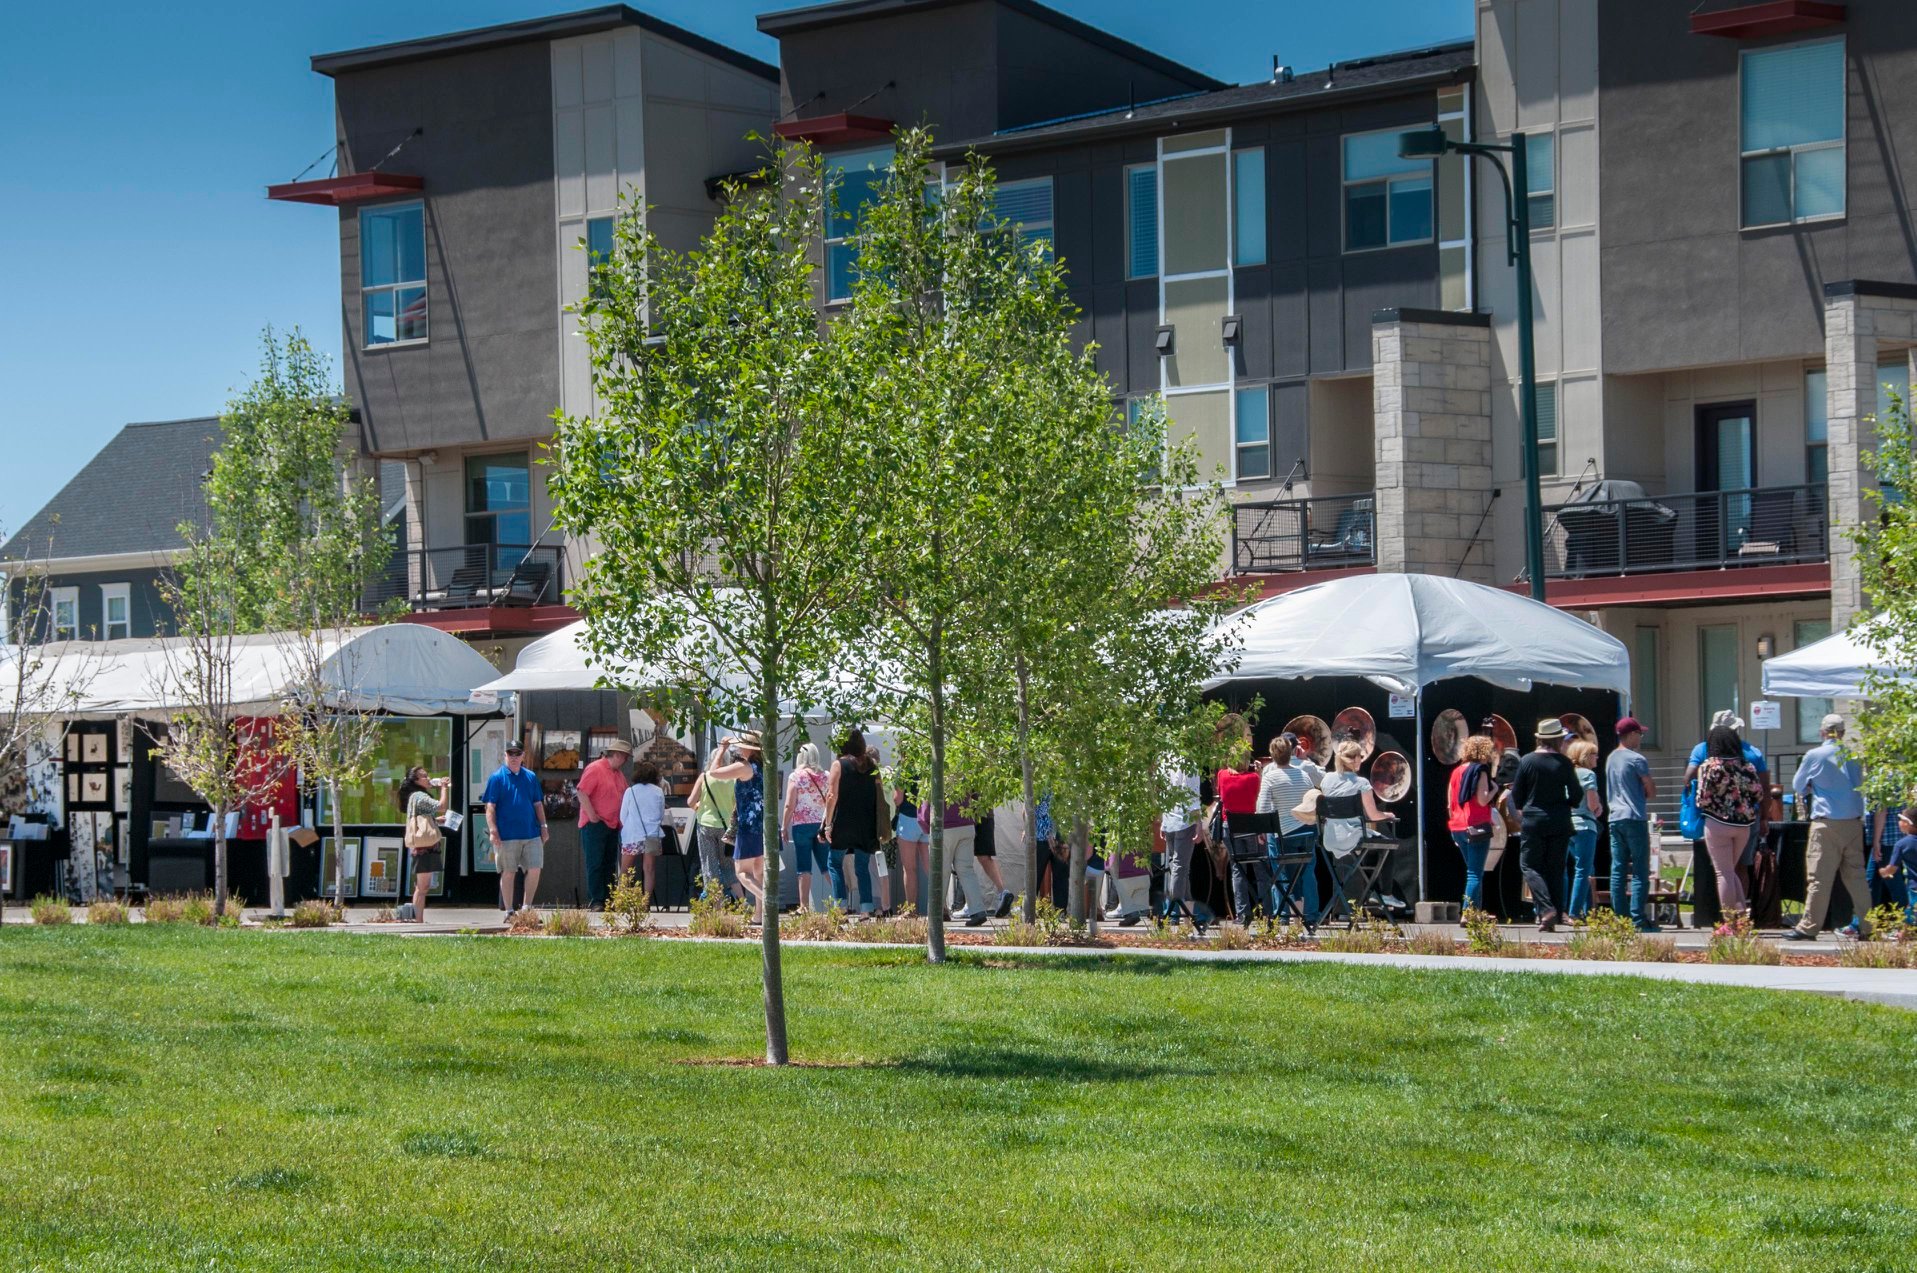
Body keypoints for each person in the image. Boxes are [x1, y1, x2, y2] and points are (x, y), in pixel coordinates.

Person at [1787, 713, 1870, 941]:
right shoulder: (1854, 755)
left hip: (1826, 823)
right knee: (1857, 878)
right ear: (1842, 733)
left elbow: (1798, 785)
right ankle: (1869, 926)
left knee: (1819, 879)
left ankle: (1809, 927)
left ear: (1822, 732)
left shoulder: (1815, 755)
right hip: (1853, 823)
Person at [1685, 709, 1770, 908]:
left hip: (1717, 823)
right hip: (1744, 825)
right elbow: (1759, 792)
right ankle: (1741, 917)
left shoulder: (1708, 765)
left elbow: (1702, 799)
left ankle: (1730, 923)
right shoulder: (1748, 763)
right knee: (1734, 871)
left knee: (1723, 873)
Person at [1511, 719, 1583, 932]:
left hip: (1534, 819)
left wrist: (1525, 812)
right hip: (1560, 820)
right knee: (1555, 868)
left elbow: (1517, 795)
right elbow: (1577, 795)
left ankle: (1546, 909)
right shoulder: (1564, 763)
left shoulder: (1527, 761)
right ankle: (1556, 913)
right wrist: (1565, 804)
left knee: (1530, 866)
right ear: (1558, 739)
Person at [1320, 740, 1390, 918]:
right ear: (1356, 759)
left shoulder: (1326, 780)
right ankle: (1384, 894)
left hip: (1330, 837)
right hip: (1353, 836)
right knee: (1389, 846)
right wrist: (1387, 815)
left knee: (1349, 863)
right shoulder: (1362, 783)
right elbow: (1373, 815)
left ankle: (1343, 909)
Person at [1257, 734, 1322, 922]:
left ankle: (1283, 914)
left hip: (1282, 834)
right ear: (1293, 751)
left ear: (1272, 754)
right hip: (1307, 830)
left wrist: (1262, 831)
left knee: (1280, 872)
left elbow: (1262, 808)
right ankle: (1311, 914)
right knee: (1309, 871)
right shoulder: (1303, 774)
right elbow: (1311, 801)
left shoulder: (1269, 777)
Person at [482, 739, 549, 920]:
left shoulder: (530, 777)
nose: (513, 757)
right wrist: (493, 829)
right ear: (505, 756)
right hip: (507, 835)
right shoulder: (497, 778)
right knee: (508, 871)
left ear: (523, 756)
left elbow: (537, 804)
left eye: (517, 753)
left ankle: (527, 908)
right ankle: (510, 910)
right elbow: (490, 807)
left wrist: (543, 826)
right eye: (510, 753)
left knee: (535, 868)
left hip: (531, 832)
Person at [1605, 717, 1660, 932]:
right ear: (1631, 734)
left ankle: (1620, 918)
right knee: (1639, 869)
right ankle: (1638, 919)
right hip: (1634, 817)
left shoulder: (1610, 758)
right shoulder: (1637, 759)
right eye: (1639, 734)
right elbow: (1651, 791)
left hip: (1614, 817)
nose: (1641, 738)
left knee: (1617, 868)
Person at [706, 732, 767, 923]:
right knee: (758, 872)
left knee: (742, 872)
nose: (738, 748)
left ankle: (769, 903)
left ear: (749, 748)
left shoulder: (744, 767)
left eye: (741, 745)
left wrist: (721, 749)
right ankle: (759, 916)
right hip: (763, 823)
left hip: (748, 826)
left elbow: (713, 772)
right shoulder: (762, 767)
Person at [821, 729, 880, 913]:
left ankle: (841, 908)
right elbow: (878, 794)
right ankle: (866, 909)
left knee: (834, 863)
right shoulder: (872, 765)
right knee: (862, 867)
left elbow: (831, 796)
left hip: (844, 822)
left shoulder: (839, 764)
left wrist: (827, 825)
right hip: (867, 823)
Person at [574, 737, 631, 910]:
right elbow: (581, 792)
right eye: (625, 756)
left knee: (609, 863)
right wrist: (592, 815)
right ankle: (596, 900)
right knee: (595, 862)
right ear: (618, 755)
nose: (626, 760)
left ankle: (607, 899)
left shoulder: (618, 774)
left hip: (613, 825)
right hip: (595, 824)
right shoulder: (595, 768)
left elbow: (626, 795)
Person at [1215, 748, 1268, 923]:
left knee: (1238, 870)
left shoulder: (1222, 775)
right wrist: (1259, 771)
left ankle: (1242, 913)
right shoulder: (1254, 778)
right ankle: (1265, 909)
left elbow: (1221, 792)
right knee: (1260, 868)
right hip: (1251, 826)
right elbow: (1258, 795)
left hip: (1230, 827)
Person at [1447, 735, 1498, 915]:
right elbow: (1483, 800)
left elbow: (1449, 803)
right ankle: (1468, 913)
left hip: (1457, 826)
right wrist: (1495, 789)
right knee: (1475, 873)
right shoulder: (1480, 770)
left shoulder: (1456, 771)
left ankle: (1476, 913)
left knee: (1473, 871)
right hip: (1476, 826)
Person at [781, 743, 831, 913]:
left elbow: (789, 804)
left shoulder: (796, 776)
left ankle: (804, 906)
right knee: (827, 866)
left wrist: (783, 827)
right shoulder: (827, 775)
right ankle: (842, 902)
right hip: (822, 825)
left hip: (801, 824)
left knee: (804, 866)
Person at [687, 745, 739, 902]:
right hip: (726, 827)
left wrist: (699, 808)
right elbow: (737, 805)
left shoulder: (704, 777)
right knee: (728, 866)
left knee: (709, 866)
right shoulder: (734, 779)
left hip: (706, 825)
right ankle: (742, 902)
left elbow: (690, 801)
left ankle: (716, 905)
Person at [399, 764, 450, 924]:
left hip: (426, 846)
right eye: (424, 776)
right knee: (422, 888)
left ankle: (418, 919)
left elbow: (424, 817)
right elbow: (441, 806)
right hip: (424, 848)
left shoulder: (416, 797)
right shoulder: (418, 796)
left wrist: (435, 820)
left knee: (423, 887)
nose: (428, 779)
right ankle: (418, 920)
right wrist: (443, 787)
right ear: (416, 780)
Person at [1158, 769, 1204, 925]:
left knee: (1178, 866)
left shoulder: (1167, 756)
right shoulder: (1189, 762)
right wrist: (1198, 823)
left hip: (1170, 817)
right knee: (1180, 866)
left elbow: (1162, 792)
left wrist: (1163, 820)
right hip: (1185, 819)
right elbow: (1192, 796)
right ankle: (1173, 912)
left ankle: (1187, 911)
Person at [1564, 738, 1603, 919]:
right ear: (1585, 756)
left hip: (1567, 825)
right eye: (1594, 754)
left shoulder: (1567, 773)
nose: (1597, 758)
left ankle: (1589, 910)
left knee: (1587, 868)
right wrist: (1599, 808)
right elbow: (1593, 804)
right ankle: (1574, 912)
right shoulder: (1588, 774)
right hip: (1585, 825)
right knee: (1583, 870)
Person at [617, 759, 667, 900]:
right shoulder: (658, 791)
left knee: (625, 870)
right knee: (649, 870)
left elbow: (622, 816)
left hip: (632, 834)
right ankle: (645, 903)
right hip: (652, 835)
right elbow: (661, 814)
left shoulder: (630, 791)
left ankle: (622, 900)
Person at [891, 773, 928, 915]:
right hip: (926, 818)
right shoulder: (926, 764)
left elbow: (898, 799)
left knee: (909, 869)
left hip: (908, 818)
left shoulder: (903, 770)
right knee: (931, 867)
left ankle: (911, 910)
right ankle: (941, 906)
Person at [1878, 806, 1917, 925]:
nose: (1898, 822)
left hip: (1914, 886)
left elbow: (1892, 868)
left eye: (1901, 820)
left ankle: (1903, 935)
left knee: (1911, 914)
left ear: (1907, 824)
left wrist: (1884, 871)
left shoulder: (1901, 844)